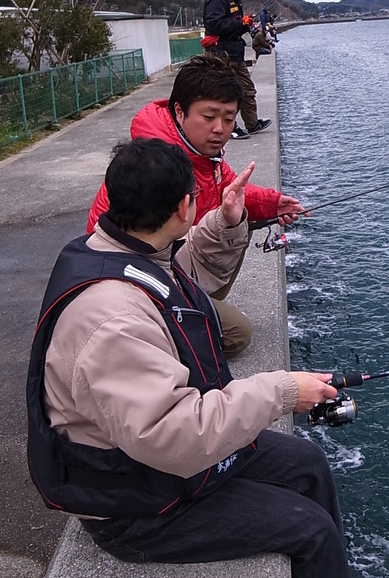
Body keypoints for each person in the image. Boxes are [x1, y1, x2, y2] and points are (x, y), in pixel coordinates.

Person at [27, 138, 389, 578]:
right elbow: (172, 435)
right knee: (306, 530)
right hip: (132, 503)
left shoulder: (120, 251)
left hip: (150, 464)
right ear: (184, 205)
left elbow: (179, 280)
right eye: (198, 201)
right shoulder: (110, 322)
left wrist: (227, 224)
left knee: (306, 464)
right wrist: (281, 390)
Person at [85, 54, 304, 356]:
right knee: (238, 334)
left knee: (238, 217)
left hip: (164, 259)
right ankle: (174, 326)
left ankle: (197, 302)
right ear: (179, 111)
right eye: (209, 116)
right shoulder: (159, 166)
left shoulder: (197, 152)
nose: (220, 129)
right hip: (130, 277)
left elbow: (229, 188)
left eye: (229, 119)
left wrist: (271, 203)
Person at [202, 0, 271, 139]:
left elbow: (231, 26)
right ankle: (230, 128)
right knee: (224, 94)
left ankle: (252, 124)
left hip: (235, 52)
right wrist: (240, 22)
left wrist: (244, 25)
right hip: (220, 53)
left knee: (247, 89)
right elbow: (214, 24)